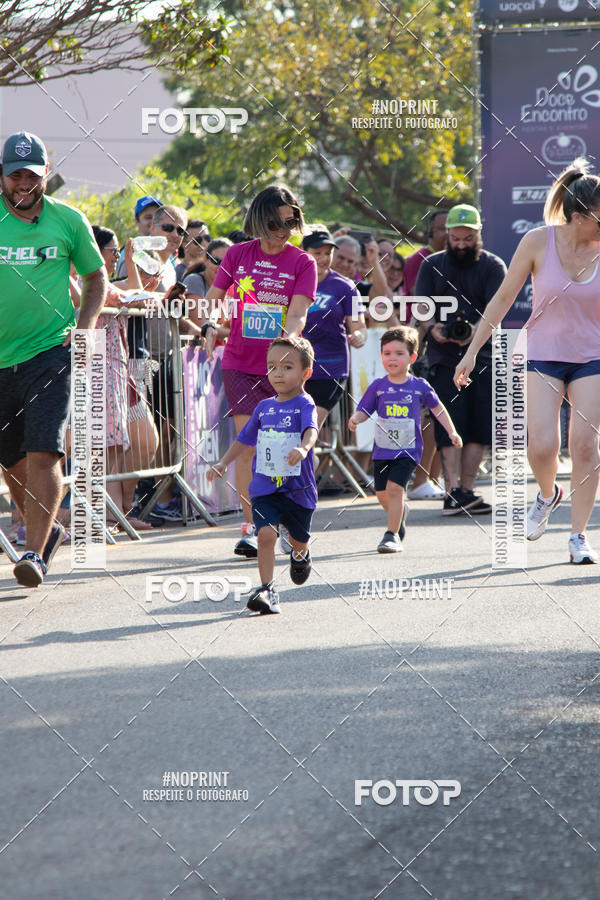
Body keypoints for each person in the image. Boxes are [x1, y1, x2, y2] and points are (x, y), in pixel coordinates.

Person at [454, 159, 600, 564]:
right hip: (543, 354)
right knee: (542, 447)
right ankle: (548, 493)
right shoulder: (537, 242)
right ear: (578, 216)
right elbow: (501, 300)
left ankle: (578, 536)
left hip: (593, 356)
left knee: (585, 446)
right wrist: (471, 352)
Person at [0, 131, 107, 587]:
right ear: (3, 176)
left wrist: (82, 330)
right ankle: (50, 532)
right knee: (12, 461)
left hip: (50, 352)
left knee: (43, 451)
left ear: (46, 173)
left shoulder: (68, 220)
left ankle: (33, 553)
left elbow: (96, 275)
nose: (24, 183)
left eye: (32, 174)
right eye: (15, 175)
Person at [204, 184, 318, 558]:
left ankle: (292, 522)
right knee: (249, 446)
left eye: (290, 221)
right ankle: (255, 526)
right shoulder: (237, 255)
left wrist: (289, 337)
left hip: (281, 366)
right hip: (239, 363)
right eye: (275, 222)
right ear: (259, 219)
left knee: (287, 446)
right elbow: (214, 302)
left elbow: (299, 311)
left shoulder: (303, 262)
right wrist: (211, 323)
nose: (283, 229)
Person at [208, 337, 318, 614]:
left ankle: (300, 554)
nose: (278, 374)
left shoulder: (305, 404)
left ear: (306, 373)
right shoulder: (264, 407)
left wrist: (304, 449)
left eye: (287, 367)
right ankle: (267, 589)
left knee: (299, 539)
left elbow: (311, 430)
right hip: (264, 488)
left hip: (298, 489)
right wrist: (223, 462)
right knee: (266, 535)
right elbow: (244, 439)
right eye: (272, 367)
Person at [415, 203, 506, 516]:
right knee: (448, 425)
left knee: (479, 427)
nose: (462, 244)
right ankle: (452, 492)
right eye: (456, 238)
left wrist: (473, 339)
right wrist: (433, 329)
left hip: (483, 356)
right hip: (443, 358)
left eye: (468, 238)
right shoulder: (432, 265)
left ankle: (467, 492)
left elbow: (496, 310)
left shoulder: (494, 266)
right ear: (447, 235)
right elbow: (421, 307)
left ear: (478, 234)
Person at [349, 326, 462, 553]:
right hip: (382, 450)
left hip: (408, 450)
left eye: (399, 354)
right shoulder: (378, 387)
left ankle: (391, 536)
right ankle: (400, 511)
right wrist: (356, 419)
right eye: (387, 353)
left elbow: (438, 410)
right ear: (381, 357)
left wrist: (452, 432)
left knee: (394, 488)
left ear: (412, 357)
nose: (392, 358)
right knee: (382, 494)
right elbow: (365, 409)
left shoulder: (419, 386)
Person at [301, 229, 367, 427]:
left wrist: (358, 336)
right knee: (292, 431)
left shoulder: (345, 287)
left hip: (330, 369)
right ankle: (310, 459)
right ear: (303, 252)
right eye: (317, 253)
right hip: (294, 367)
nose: (323, 258)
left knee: (309, 428)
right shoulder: (290, 282)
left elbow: (359, 326)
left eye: (327, 253)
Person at [403, 211, 448, 296]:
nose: (448, 233)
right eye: (443, 229)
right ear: (430, 230)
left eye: (451, 229)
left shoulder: (453, 258)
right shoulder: (418, 259)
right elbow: (419, 295)